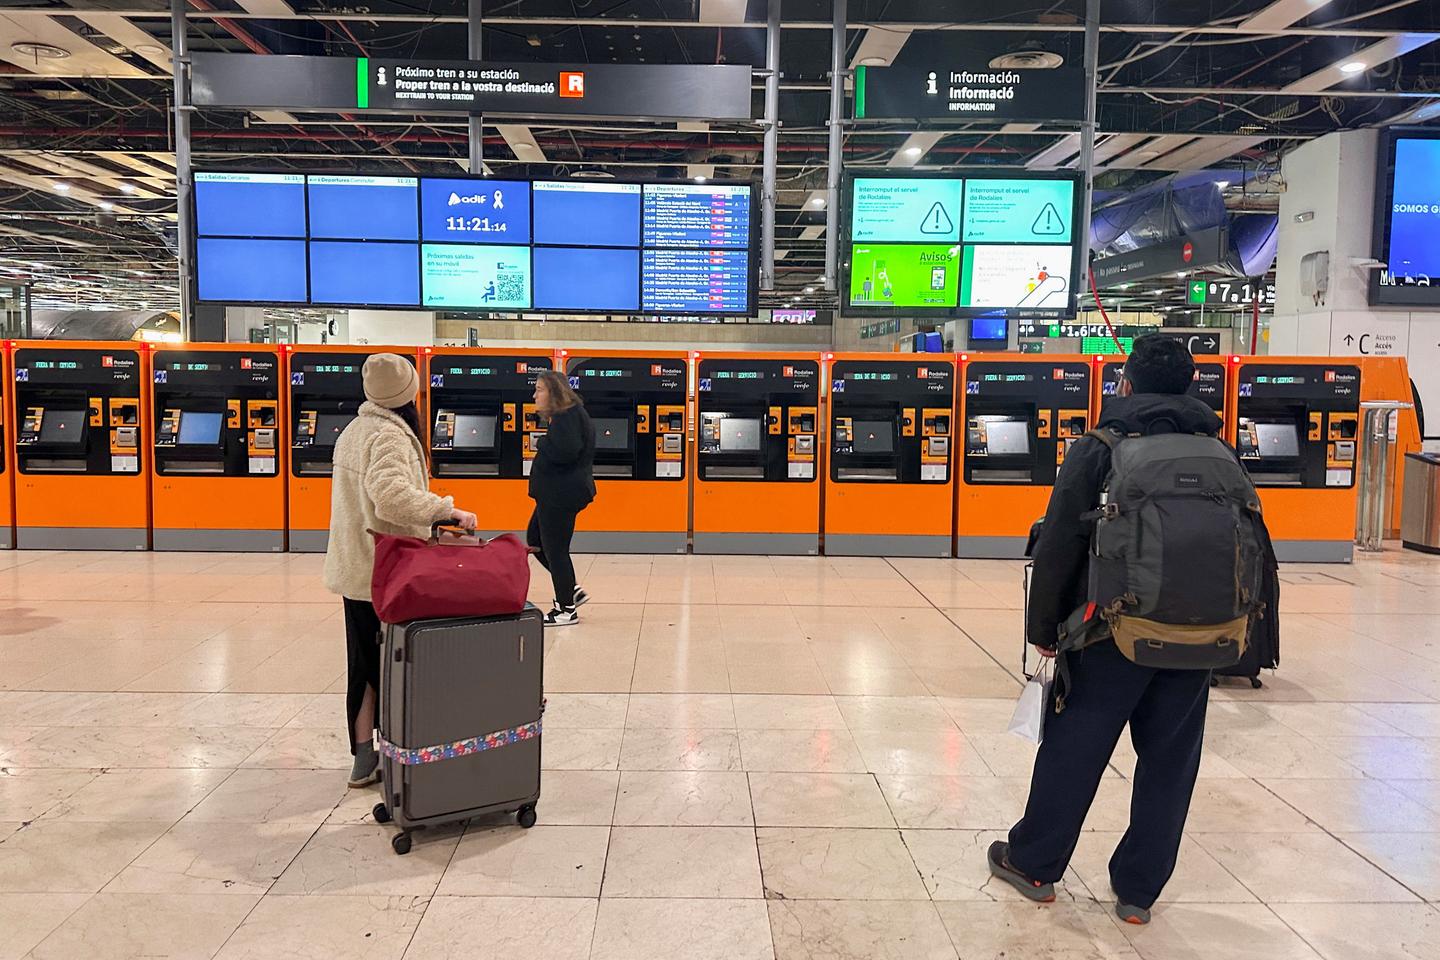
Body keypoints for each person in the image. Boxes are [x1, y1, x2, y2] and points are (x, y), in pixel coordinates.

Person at [988, 335, 1273, 925]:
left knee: (1075, 748)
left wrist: (1043, 627)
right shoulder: (1219, 451)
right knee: (1170, 762)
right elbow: (1252, 549)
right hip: (1200, 637)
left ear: (1124, 384)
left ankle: (1035, 864)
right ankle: (1139, 891)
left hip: (1109, 636)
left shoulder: (1101, 447)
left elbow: (1062, 539)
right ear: (1193, 386)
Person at [323, 353, 477, 787]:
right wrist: (446, 510)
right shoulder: (388, 435)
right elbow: (390, 496)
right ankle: (397, 752)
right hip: (385, 569)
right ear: (410, 393)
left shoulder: (354, 430)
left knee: (363, 663)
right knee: (392, 663)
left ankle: (362, 755)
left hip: (357, 565)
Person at [527, 370, 596, 626]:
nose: (535, 395)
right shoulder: (567, 415)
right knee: (535, 540)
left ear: (554, 392)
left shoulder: (567, 416)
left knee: (555, 550)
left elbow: (565, 451)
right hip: (555, 493)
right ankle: (571, 590)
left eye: (539, 389)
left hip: (560, 495)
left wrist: (542, 443)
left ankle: (566, 608)